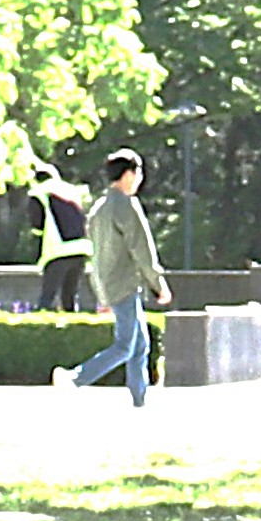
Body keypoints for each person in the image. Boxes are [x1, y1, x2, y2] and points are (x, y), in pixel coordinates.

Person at [68, 148, 165, 404]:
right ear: (129, 174)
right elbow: (142, 248)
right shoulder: (125, 205)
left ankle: (140, 401)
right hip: (124, 286)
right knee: (125, 346)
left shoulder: (99, 208)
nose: (141, 179)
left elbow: (96, 254)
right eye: (139, 172)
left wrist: (101, 294)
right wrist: (158, 283)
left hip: (109, 285)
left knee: (140, 346)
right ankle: (75, 378)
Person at [29, 161, 98, 312]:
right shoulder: (71, 191)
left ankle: (39, 330)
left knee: (47, 297)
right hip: (81, 248)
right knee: (70, 297)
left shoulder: (38, 193)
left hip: (58, 249)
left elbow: (37, 225)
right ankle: (72, 329)